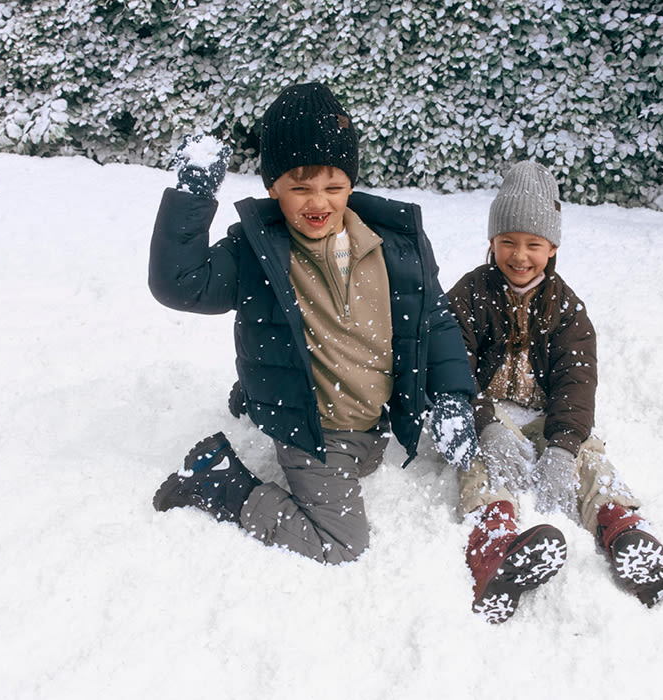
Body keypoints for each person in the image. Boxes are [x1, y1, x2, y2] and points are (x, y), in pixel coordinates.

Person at [148, 82, 479, 565]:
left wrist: (452, 396)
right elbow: (179, 283)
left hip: (369, 419)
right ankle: (220, 481)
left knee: (366, 460)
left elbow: (435, 318)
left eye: (334, 186)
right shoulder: (256, 253)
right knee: (341, 543)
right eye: (299, 187)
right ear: (272, 188)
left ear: (352, 184)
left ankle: (259, 394)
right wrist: (190, 197)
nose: (318, 202)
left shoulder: (394, 246)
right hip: (314, 426)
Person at [447, 160, 663, 622]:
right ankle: (494, 542)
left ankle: (622, 527)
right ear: (491, 242)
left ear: (552, 247)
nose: (519, 255)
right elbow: (452, 368)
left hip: (543, 412)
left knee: (590, 454)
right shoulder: (470, 295)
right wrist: (485, 424)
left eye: (533, 244)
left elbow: (577, 382)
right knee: (476, 457)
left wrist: (562, 447)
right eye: (508, 241)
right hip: (491, 411)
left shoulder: (567, 308)